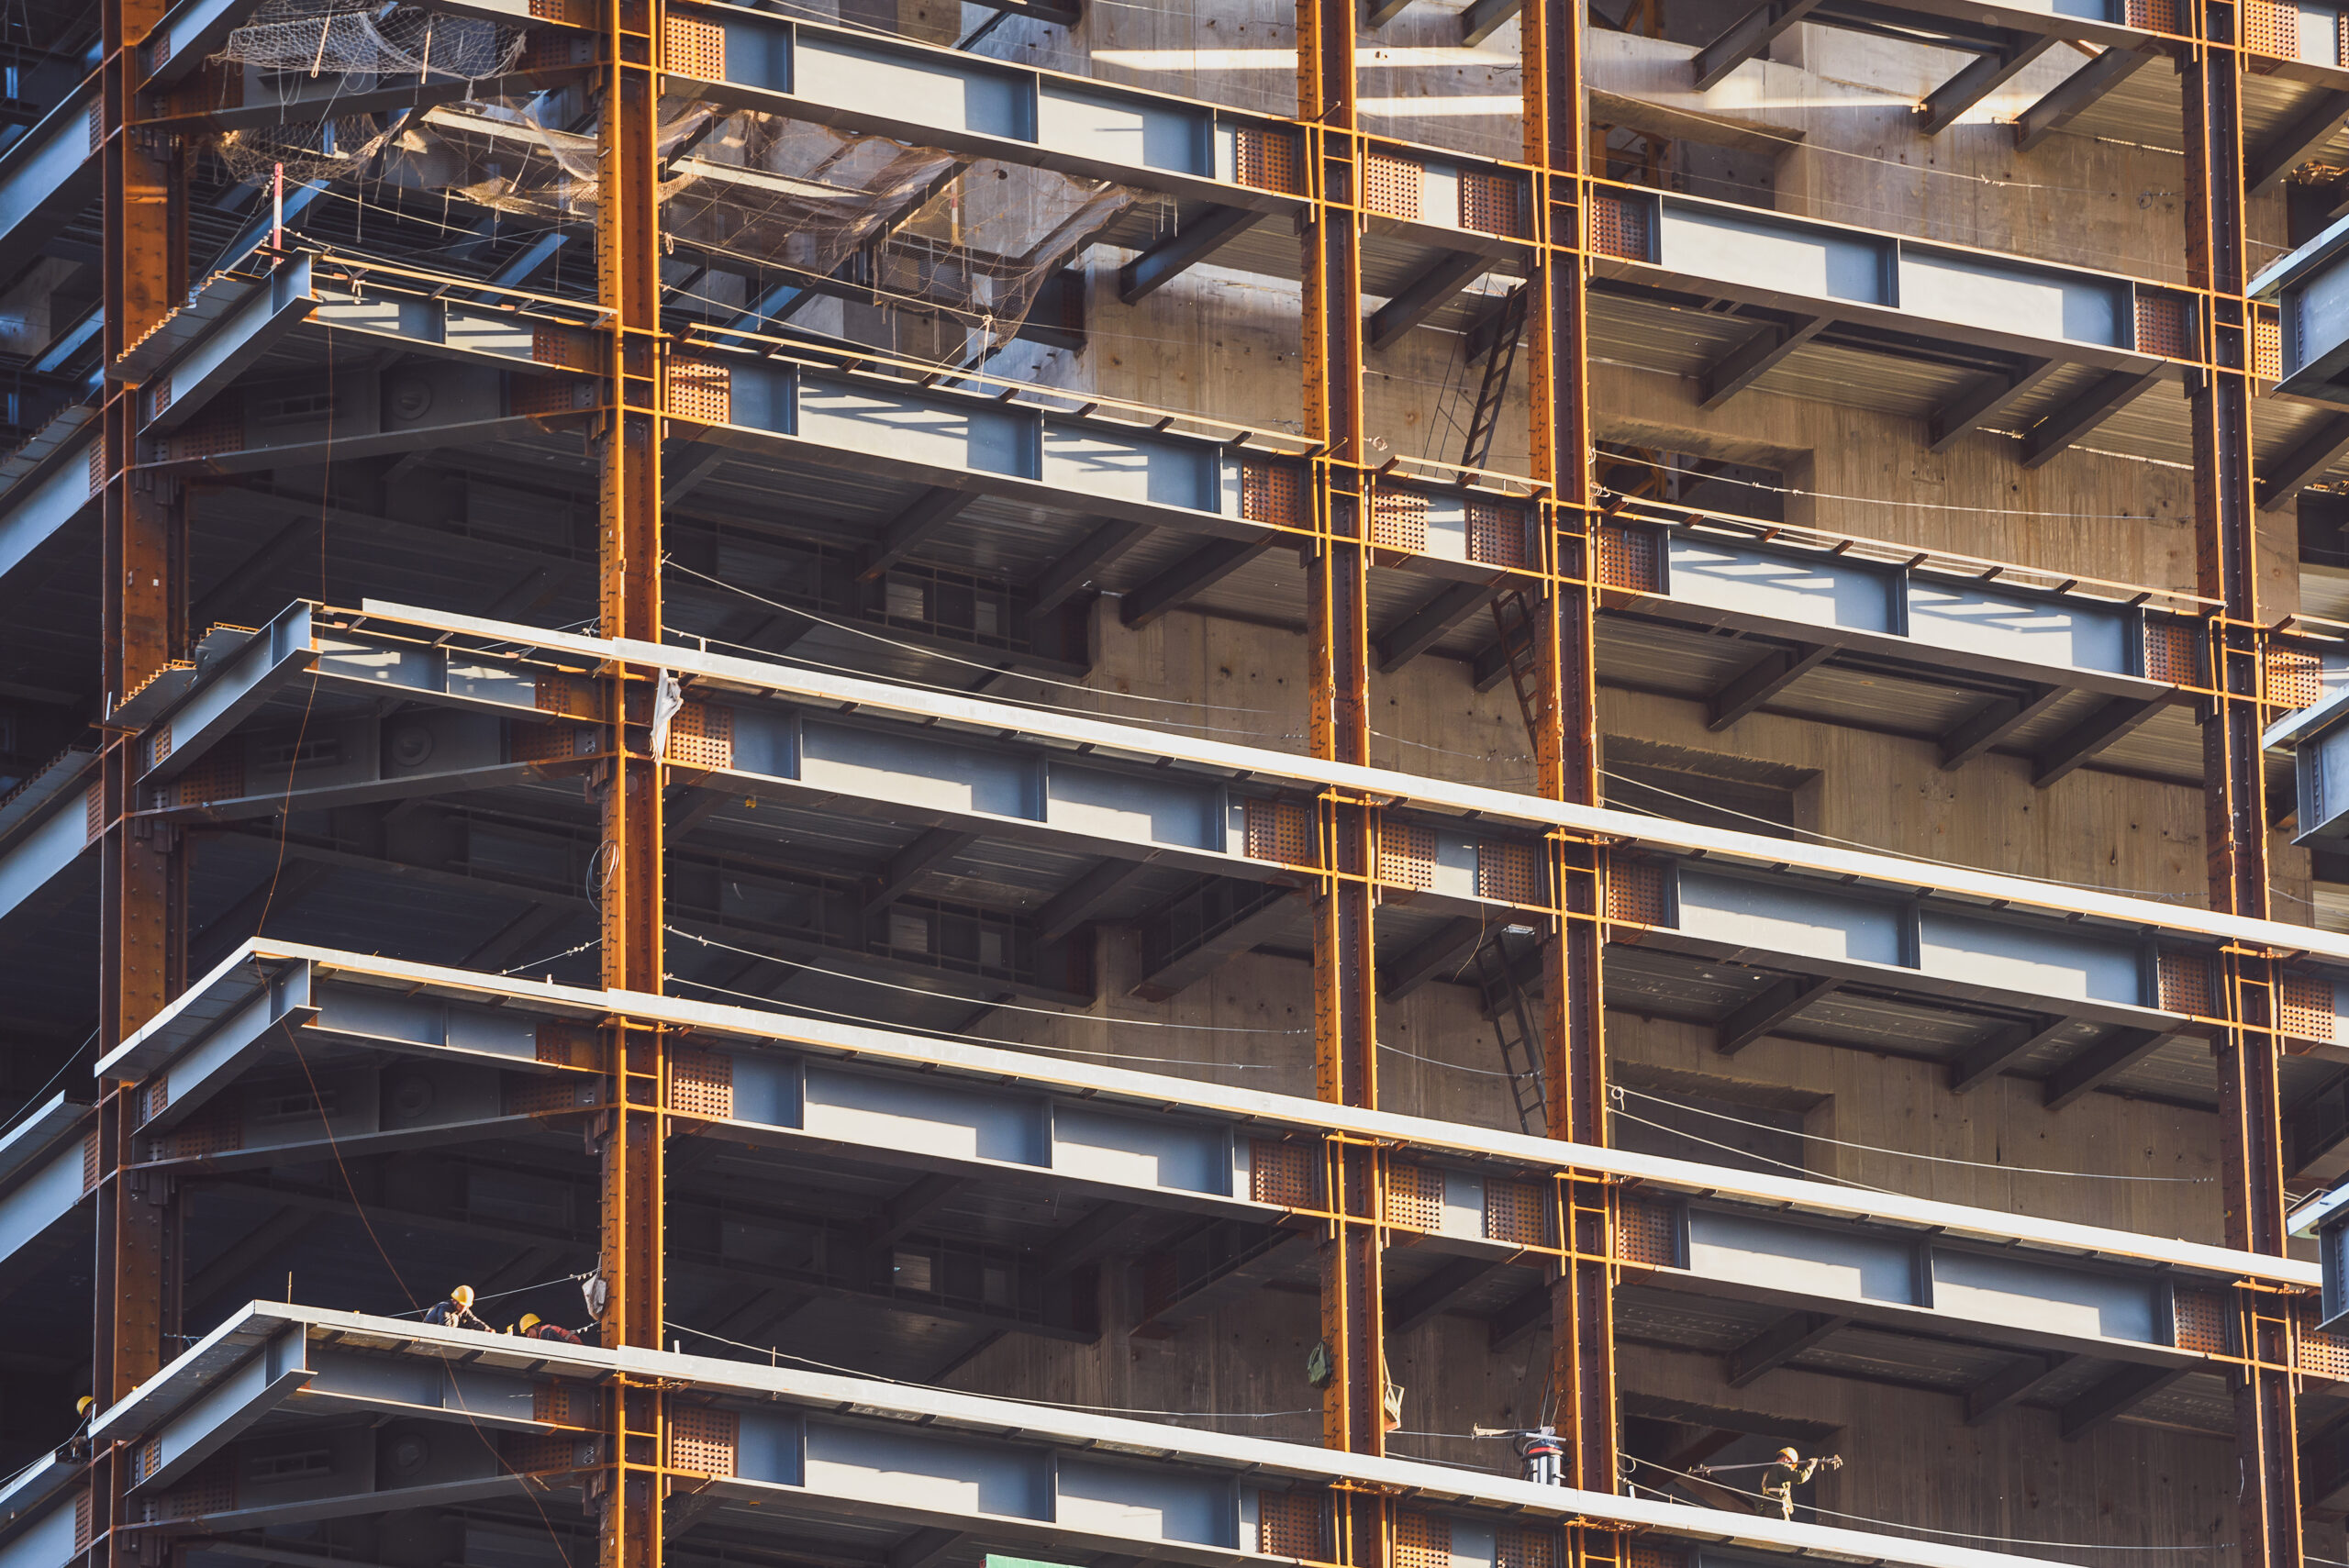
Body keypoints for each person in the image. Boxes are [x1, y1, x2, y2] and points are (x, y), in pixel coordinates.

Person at [1759, 1446, 1840, 1521]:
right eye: (1791, 1465)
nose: (1790, 1468)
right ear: (1786, 1459)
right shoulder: (1779, 1467)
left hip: (1769, 1511)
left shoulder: (1768, 1472)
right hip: (1778, 1511)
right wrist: (1810, 1468)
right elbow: (1800, 1477)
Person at [422, 1285, 489, 1331]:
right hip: (430, 1334)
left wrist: (486, 1329)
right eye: (463, 1306)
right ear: (454, 1301)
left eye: (467, 1307)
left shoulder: (463, 1310)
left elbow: (472, 1320)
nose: (465, 1309)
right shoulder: (444, 1308)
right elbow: (445, 1327)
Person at [513, 1312, 582, 1343]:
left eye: (528, 1332)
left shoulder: (546, 1333)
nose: (528, 1336)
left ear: (535, 1326)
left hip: (575, 1345)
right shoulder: (543, 1334)